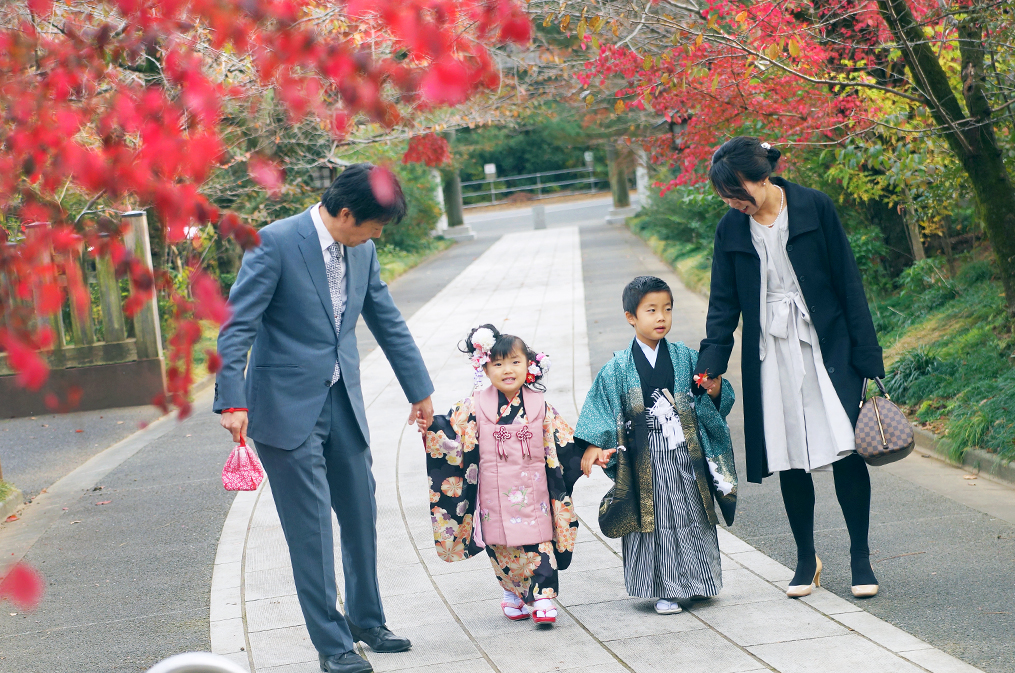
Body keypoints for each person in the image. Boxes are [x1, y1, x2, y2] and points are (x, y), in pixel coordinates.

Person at [214, 164, 435, 673]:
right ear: (343, 213)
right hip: (284, 408)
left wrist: (419, 390)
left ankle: (367, 620)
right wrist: (231, 400)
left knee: (361, 512)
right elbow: (236, 326)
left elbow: (386, 318)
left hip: (344, 403)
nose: (378, 235)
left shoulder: (363, 249)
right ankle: (333, 646)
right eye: (374, 225)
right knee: (311, 531)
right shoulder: (273, 243)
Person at [694, 136, 885, 599]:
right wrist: (711, 365)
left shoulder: (813, 207)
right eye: (726, 198)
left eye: (738, 193)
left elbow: (848, 282)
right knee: (789, 454)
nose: (734, 204)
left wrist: (867, 358)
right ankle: (805, 557)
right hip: (770, 351)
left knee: (846, 446)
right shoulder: (731, 230)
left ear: (761, 177)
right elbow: (723, 304)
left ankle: (860, 557)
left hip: (827, 344)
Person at [574, 276, 737, 615]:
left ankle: (700, 581)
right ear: (630, 316)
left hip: (685, 454)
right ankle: (665, 589)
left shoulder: (685, 357)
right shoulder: (617, 368)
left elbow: (719, 397)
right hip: (643, 459)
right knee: (657, 521)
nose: (661, 317)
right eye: (651, 310)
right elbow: (600, 408)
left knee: (692, 516)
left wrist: (714, 388)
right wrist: (593, 444)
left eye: (667, 309)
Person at [421, 325, 582, 626]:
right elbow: (450, 434)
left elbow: (564, 441)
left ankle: (543, 595)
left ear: (528, 365)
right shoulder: (474, 405)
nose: (507, 370)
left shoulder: (539, 405)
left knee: (538, 543)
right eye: (498, 364)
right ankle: (512, 593)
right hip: (493, 494)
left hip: (534, 492)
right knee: (500, 547)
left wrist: (588, 454)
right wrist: (430, 426)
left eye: (515, 362)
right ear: (485, 367)